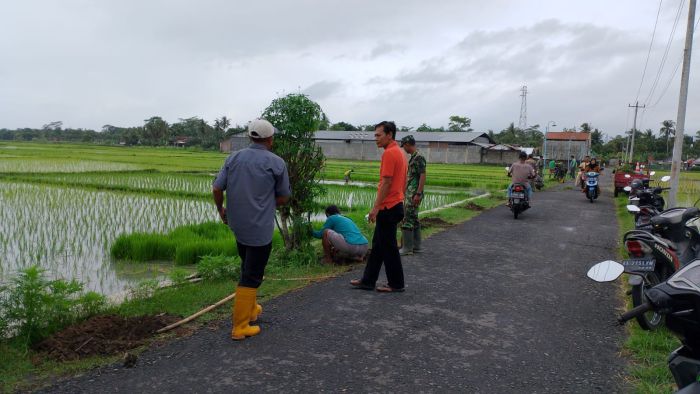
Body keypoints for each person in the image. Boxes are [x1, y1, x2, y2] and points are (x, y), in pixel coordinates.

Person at [212, 118, 291, 341]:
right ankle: (240, 326)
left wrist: (221, 210)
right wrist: (266, 203)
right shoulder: (276, 163)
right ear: (270, 139)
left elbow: (217, 188)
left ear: (250, 137)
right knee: (252, 275)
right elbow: (284, 196)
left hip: (238, 225)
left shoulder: (233, 158)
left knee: (248, 266)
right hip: (259, 227)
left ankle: (251, 309)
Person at [350, 121, 407, 293]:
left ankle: (396, 284)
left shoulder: (390, 153)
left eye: (378, 135)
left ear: (389, 135)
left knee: (388, 247)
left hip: (388, 207)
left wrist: (376, 208)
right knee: (379, 246)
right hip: (395, 204)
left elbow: (386, 183)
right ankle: (368, 281)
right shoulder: (400, 152)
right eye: (375, 135)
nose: (375, 138)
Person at [398, 135, 427, 256]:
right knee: (414, 219)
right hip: (412, 192)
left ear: (408, 144)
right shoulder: (414, 157)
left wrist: (418, 193)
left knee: (407, 219)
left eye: (404, 145)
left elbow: (422, 175)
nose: (403, 148)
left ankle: (407, 248)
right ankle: (417, 246)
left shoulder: (419, 157)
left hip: (414, 193)